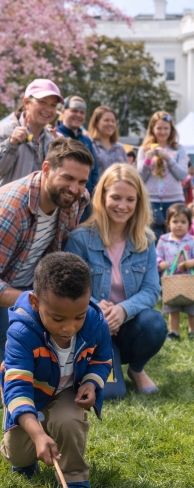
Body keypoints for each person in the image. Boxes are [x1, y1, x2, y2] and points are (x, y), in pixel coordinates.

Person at [0, 252, 113, 488]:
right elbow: (17, 388)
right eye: (58, 318)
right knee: (18, 455)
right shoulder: (21, 331)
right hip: (30, 393)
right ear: (35, 302)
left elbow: (102, 360)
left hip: (66, 392)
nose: (69, 328)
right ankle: (28, 450)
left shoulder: (96, 322)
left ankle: (74, 478)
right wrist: (37, 433)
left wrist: (92, 384)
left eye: (78, 317)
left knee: (68, 419)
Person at [65, 163, 166, 398]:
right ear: (102, 197)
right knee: (111, 394)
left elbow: (152, 290)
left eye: (130, 199)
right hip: (93, 326)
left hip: (129, 323)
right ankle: (107, 358)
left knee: (155, 322)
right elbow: (69, 290)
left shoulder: (146, 240)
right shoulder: (80, 239)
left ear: (138, 202)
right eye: (116, 197)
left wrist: (123, 310)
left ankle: (137, 369)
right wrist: (95, 308)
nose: (123, 206)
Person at [0, 137, 93, 361]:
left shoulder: (76, 200)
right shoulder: (11, 210)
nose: (74, 189)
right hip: (10, 292)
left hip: (35, 285)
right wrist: (39, 301)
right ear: (46, 168)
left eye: (82, 181)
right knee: (16, 358)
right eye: (68, 178)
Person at [0, 79, 63, 188]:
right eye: (42, 102)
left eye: (53, 105)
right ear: (26, 102)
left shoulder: (52, 140)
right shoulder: (5, 131)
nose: (48, 109)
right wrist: (11, 144)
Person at [156, 204, 194, 340]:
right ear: (168, 223)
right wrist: (160, 263)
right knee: (173, 308)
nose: (179, 225)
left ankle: (193, 331)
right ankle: (174, 331)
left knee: (192, 308)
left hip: (189, 279)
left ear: (189, 224)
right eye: (175, 222)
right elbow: (157, 255)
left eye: (183, 222)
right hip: (171, 280)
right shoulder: (164, 240)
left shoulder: (192, 241)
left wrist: (192, 262)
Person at [137, 112, 187, 240]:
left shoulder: (178, 149)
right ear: (153, 129)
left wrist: (168, 159)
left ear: (171, 130)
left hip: (174, 199)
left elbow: (182, 175)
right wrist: (147, 161)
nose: (162, 132)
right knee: (152, 238)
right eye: (159, 128)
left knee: (176, 238)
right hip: (151, 201)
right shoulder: (144, 149)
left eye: (166, 128)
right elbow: (140, 178)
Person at [57, 96, 99, 200]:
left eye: (82, 112)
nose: (78, 115)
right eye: (74, 111)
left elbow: (94, 171)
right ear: (63, 112)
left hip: (85, 202)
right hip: (62, 199)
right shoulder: (55, 136)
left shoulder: (87, 140)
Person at [88, 106, 127, 177]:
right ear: (96, 122)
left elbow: (127, 173)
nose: (110, 124)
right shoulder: (90, 145)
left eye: (113, 121)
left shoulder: (120, 148)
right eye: (106, 120)